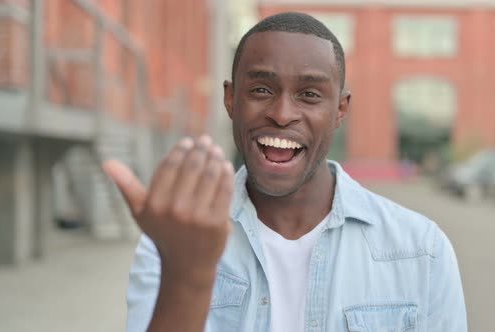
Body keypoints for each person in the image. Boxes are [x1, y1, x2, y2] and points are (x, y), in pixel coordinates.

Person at [104, 12, 467, 332]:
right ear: (231, 99)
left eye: (309, 95)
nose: (282, 113)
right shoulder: (173, 239)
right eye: (261, 89)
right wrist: (189, 275)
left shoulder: (420, 250)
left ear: (340, 109)